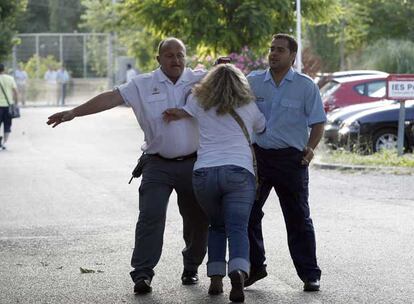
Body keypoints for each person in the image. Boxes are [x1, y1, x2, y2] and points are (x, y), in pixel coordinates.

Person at [46, 37, 209, 294]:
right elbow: (110, 98)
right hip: (158, 164)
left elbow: (231, 83)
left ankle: (192, 266)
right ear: (159, 59)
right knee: (150, 217)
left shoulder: (201, 79)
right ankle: (142, 274)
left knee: (197, 219)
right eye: (170, 55)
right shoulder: (142, 84)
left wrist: (225, 66)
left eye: (180, 55)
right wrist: (74, 112)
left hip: (194, 163)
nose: (176, 60)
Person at [163, 63, 265, 302]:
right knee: (238, 228)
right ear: (240, 83)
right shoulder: (248, 105)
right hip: (239, 172)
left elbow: (183, 112)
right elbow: (262, 128)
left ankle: (216, 278)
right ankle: (238, 271)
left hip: (204, 173)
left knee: (217, 226)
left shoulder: (200, 102)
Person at [245, 33, 326, 292]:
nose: (273, 54)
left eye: (280, 50)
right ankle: (255, 267)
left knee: (298, 217)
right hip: (259, 159)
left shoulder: (305, 86)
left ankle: (310, 274)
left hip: (291, 161)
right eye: (271, 49)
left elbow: (318, 122)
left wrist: (310, 150)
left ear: (293, 56)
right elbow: (235, 108)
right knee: (248, 213)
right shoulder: (253, 82)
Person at [0, 63, 19, 150]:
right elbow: (15, 92)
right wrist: (16, 103)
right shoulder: (10, 78)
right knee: (7, 125)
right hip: (8, 106)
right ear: (4, 69)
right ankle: (4, 143)